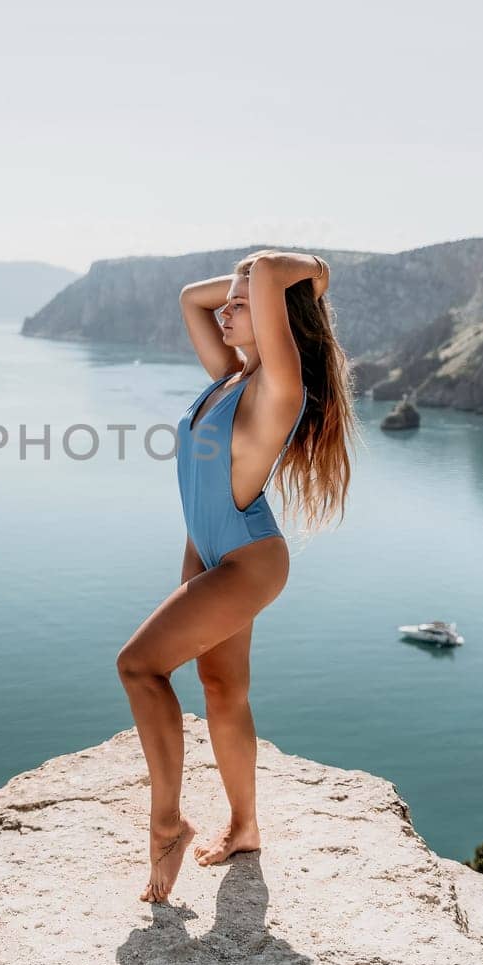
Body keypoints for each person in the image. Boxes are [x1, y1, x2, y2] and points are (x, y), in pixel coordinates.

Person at [116, 249, 360, 903]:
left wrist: (298, 269)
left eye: (242, 302)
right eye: (232, 298)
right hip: (207, 548)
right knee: (221, 689)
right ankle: (245, 826)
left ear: (279, 312)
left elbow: (277, 282)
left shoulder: (277, 387)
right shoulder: (230, 376)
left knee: (139, 666)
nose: (224, 308)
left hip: (247, 558)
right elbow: (189, 299)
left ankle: (166, 828)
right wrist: (247, 279)